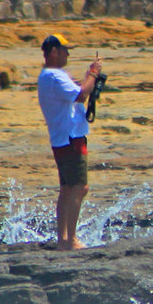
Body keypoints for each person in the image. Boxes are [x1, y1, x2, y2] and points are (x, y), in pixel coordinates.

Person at [37, 33, 102, 250]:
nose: (67, 54)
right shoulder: (54, 76)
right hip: (70, 138)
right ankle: (70, 240)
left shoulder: (48, 76)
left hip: (61, 138)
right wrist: (92, 74)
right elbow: (81, 94)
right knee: (79, 187)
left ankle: (63, 239)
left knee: (67, 188)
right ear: (53, 51)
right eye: (65, 50)